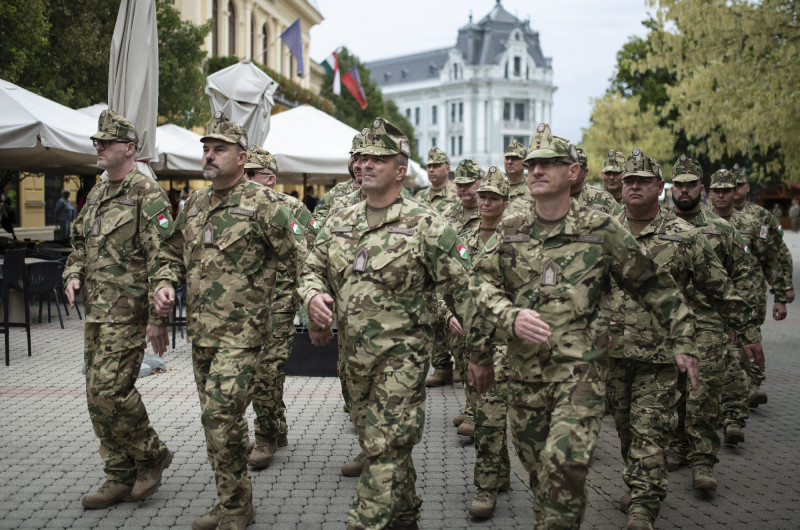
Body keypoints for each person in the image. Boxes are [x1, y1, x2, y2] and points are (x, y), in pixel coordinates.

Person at [466, 125, 699, 529]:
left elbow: (652, 283)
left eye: (547, 164)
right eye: (532, 164)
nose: (536, 170)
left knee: (564, 469)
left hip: (582, 378)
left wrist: (682, 337)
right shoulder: (510, 231)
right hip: (526, 380)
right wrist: (488, 345)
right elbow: (479, 287)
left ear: (572, 172)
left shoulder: (601, 229)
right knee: (542, 474)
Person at [298, 117, 478, 529]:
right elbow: (311, 268)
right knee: (385, 449)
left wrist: (479, 355)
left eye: (377, 158)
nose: (364, 164)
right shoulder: (340, 219)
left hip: (402, 363)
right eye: (360, 157)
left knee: (382, 449)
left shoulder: (428, 224)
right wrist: (312, 298)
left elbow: (467, 290)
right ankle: (406, 518)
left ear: (400, 170)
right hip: (353, 361)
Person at [153, 111, 307, 530]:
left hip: (244, 335)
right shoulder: (196, 203)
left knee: (221, 416)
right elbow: (169, 253)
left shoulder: (266, 205)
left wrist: (312, 306)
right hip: (201, 334)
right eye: (206, 148)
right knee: (216, 422)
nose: (209, 154)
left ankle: (238, 509)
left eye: (219, 148)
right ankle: (230, 500)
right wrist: (165, 286)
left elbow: (303, 258)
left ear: (242, 157)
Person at [607, 149, 760, 530]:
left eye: (643, 180)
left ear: (661, 187)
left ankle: (643, 505)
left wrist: (749, 331)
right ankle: (638, 479)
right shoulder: (601, 231)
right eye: (629, 181)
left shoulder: (685, 236)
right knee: (625, 429)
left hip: (662, 356)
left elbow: (720, 288)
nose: (634, 186)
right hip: (612, 353)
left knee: (651, 429)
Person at [62, 110, 174, 510]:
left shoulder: (148, 194)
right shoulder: (95, 194)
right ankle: (117, 474)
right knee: (96, 395)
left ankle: (151, 454)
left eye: (106, 142)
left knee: (112, 389)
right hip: (96, 312)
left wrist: (158, 320)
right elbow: (79, 245)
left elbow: (164, 257)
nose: (98, 147)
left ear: (129, 148)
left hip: (129, 312)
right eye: (97, 142)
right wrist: (72, 275)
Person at [667, 154, 763, 487]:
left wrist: (744, 328)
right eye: (678, 184)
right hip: (667, 324)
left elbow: (745, 276)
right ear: (670, 189)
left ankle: (703, 462)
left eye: (690, 184)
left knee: (703, 394)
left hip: (710, 323)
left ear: (701, 189)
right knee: (673, 393)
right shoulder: (660, 228)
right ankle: (677, 447)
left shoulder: (722, 229)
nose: (684, 190)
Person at [243, 147, 318, 470]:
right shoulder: (234, 208)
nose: (242, 181)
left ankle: (265, 435)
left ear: (269, 179)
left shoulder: (292, 209)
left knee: (267, 371)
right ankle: (278, 426)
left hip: (279, 302)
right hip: (242, 306)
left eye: (250, 175)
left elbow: (309, 253)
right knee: (250, 372)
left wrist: (310, 304)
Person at [447, 166, 513, 518]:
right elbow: (446, 282)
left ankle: (491, 482)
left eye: (493, 197)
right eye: (482, 195)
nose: (485, 202)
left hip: (509, 342)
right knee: (488, 414)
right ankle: (495, 478)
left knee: (493, 414)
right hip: (474, 341)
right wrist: (448, 315)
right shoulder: (464, 235)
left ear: (506, 200)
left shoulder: (518, 236)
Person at [711, 169, 788, 409]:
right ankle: (726, 396)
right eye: (717, 190)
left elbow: (772, 259)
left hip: (748, 296)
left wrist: (781, 295)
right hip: (710, 299)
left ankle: (749, 388)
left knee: (745, 341)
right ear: (709, 193)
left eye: (727, 190)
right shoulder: (698, 222)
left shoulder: (752, 223)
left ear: (736, 192)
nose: (722, 195)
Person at [440, 159, 483, 431]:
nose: (465, 190)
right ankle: (472, 406)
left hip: (484, 304)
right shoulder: (447, 219)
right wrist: (445, 313)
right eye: (460, 184)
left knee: (481, 358)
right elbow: (438, 265)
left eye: (470, 184)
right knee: (462, 358)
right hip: (455, 304)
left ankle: (477, 414)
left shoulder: (495, 214)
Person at [573, 148, 623, 215]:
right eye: (608, 173)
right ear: (602, 174)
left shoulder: (634, 201)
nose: (611, 177)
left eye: (616, 173)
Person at [415, 146, 458, 214]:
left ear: (448, 169)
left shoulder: (459, 194)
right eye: (429, 166)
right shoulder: (419, 196)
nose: (431, 170)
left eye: (436, 166)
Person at [504, 139, 535, 214]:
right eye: (507, 158)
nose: (509, 162)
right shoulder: (496, 186)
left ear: (525, 162)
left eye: (515, 158)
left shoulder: (533, 188)